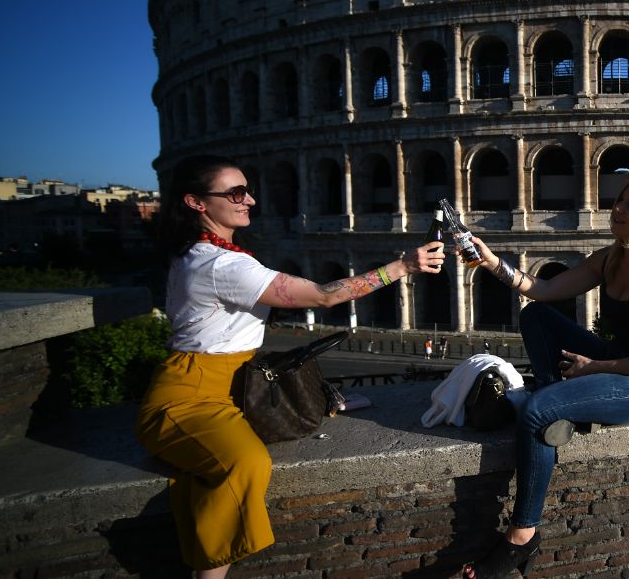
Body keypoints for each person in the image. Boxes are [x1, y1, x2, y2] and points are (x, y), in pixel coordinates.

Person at [135, 155, 445, 578]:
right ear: (196, 203)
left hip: (228, 387)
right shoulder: (221, 265)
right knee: (246, 463)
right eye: (235, 193)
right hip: (189, 399)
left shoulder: (200, 253)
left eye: (247, 190)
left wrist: (315, 399)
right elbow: (322, 295)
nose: (250, 200)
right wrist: (403, 266)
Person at [461, 175, 629, 578]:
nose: (617, 209)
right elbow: (546, 289)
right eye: (619, 200)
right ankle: (560, 406)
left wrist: (595, 367)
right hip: (613, 361)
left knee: (535, 413)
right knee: (535, 315)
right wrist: (491, 262)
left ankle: (522, 536)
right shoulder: (611, 257)